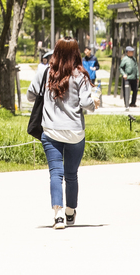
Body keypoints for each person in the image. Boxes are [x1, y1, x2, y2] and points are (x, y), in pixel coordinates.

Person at [28, 38, 97, 229]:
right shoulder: (81, 75)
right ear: (76, 53)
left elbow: (30, 95)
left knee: (55, 173)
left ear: (56, 52)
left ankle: (58, 216)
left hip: (50, 131)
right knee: (71, 174)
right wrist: (95, 104)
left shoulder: (45, 72)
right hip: (75, 132)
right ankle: (70, 211)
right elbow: (85, 103)